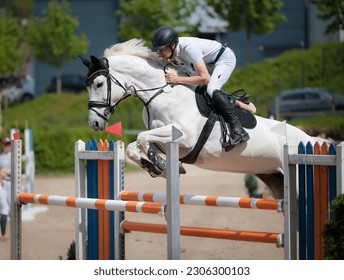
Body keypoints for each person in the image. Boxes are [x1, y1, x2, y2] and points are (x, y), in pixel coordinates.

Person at [152, 26, 249, 147]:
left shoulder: (189, 48)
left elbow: (205, 78)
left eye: (162, 50)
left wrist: (177, 79)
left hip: (224, 59)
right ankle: (232, 101)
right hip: (209, 63)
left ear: (172, 45)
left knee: (212, 88)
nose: (159, 53)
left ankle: (238, 130)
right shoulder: (175, 50)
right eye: (158, 50)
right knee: (200, 87)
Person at [0, 137, 11, 241]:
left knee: (11, 206)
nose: (7, 146)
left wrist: (3, 171)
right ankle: (3, 233)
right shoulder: (1, 157)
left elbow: (15, 171)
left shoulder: (13, 156)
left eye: (8, 144)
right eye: (5, 144)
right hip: (2, 183)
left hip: (11, 182)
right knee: (4, 207)